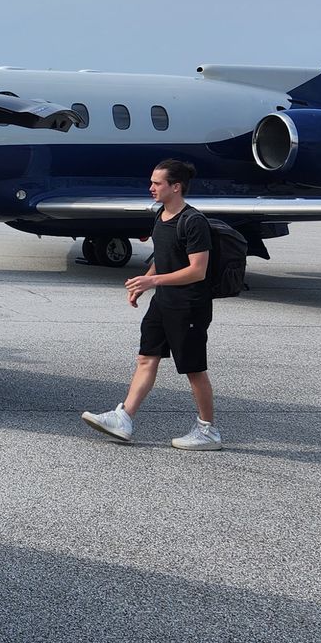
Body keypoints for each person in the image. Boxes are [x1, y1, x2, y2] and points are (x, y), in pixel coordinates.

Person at [81, 158, 223, 450]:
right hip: (163, 302)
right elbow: (163, 256)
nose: (151, 187)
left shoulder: (193, 221)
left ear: (176, 186)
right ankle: (124, 419)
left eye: (157, 183)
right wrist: (143, 283)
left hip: (189, 306)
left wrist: (152, 282)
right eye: (152, 182)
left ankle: (208, 431)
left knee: (194, 369)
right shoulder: (161, 215)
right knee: (146, 358)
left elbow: (198, 270)